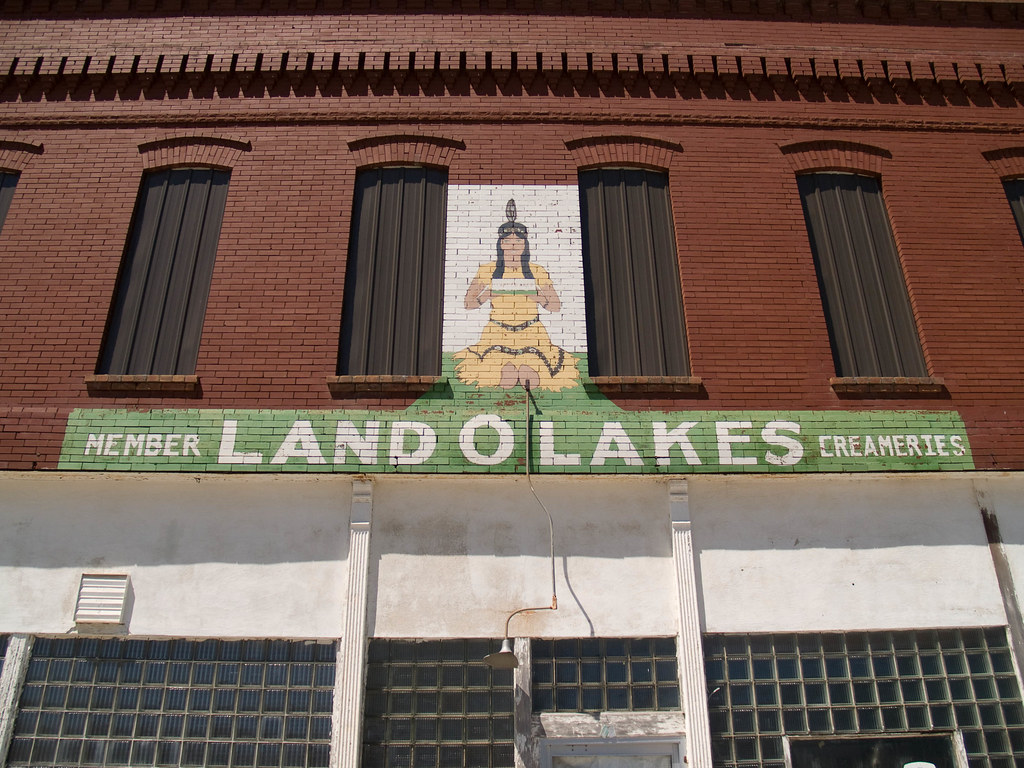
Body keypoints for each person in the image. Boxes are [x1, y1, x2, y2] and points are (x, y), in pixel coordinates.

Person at [455, 200, 579, 390]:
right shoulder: (488, 270)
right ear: (501, 244)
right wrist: (486, 294)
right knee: (506, 375)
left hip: (532, 332)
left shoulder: (536, 270)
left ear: (524, 245)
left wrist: (540, 298)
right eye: (508, 241)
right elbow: (468, 303)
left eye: (518, 241)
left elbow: (555, 306)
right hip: (496, 333)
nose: (513, 245)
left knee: (532, 375)